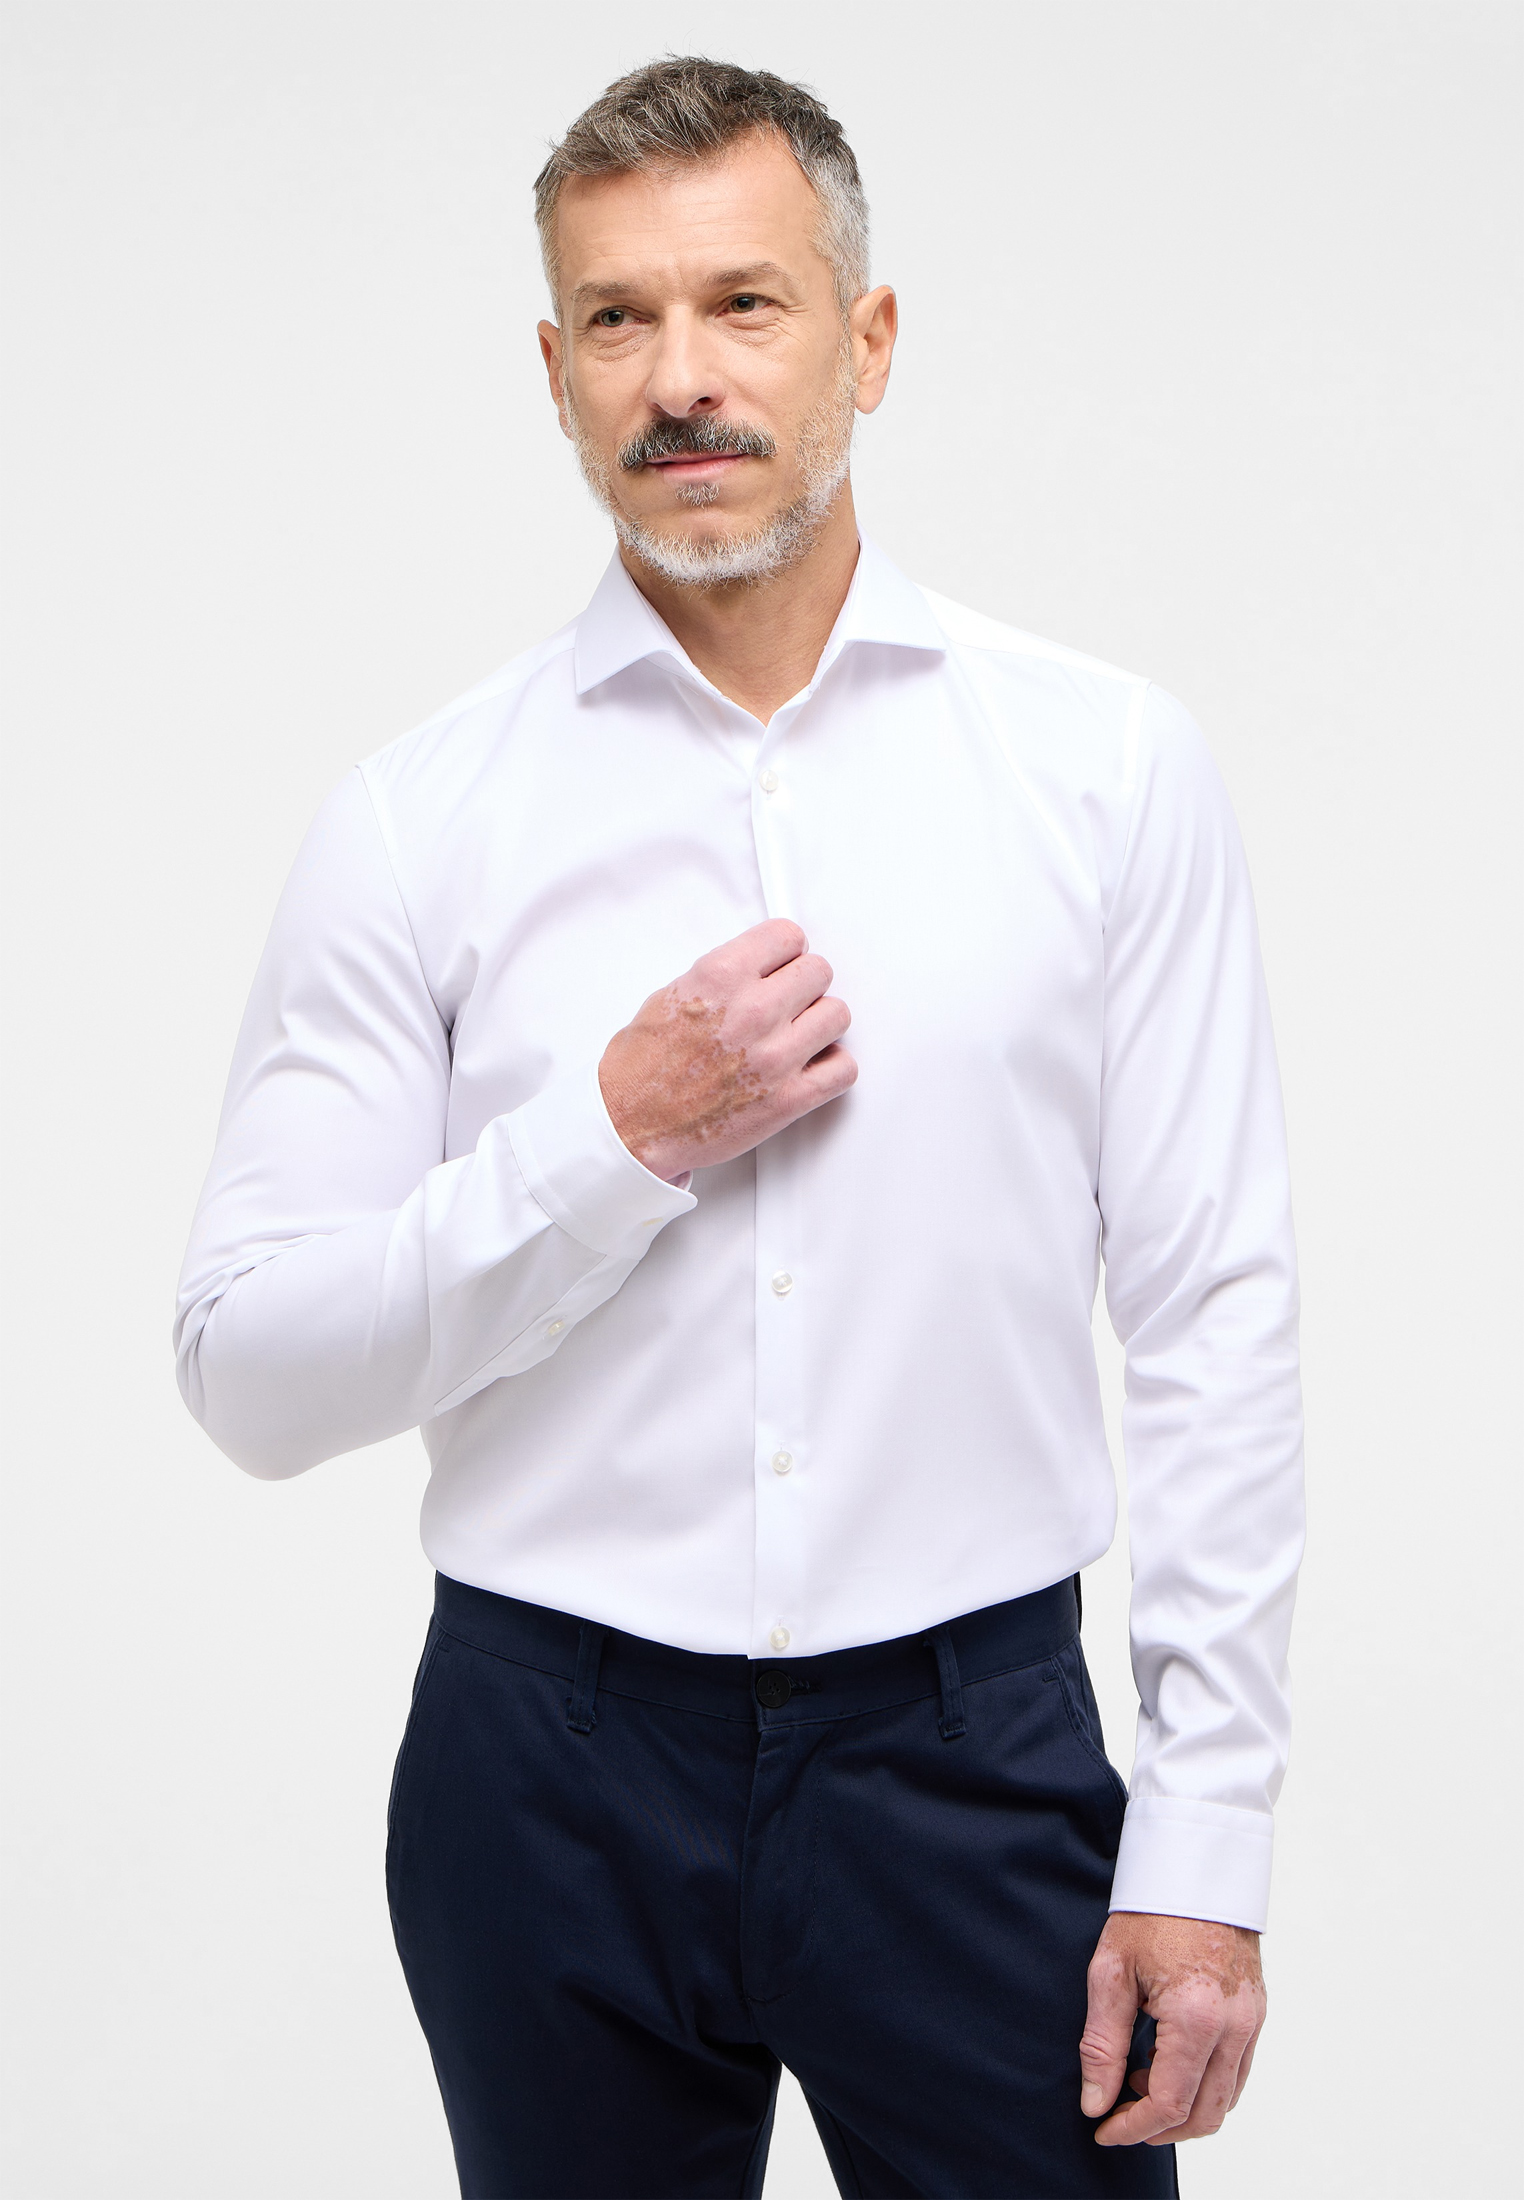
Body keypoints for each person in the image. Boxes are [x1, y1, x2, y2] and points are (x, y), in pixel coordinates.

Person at [174, 55, 1303, 2200]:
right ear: (555, 370)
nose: (680, 376)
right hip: (545, 1766)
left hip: (974, 1755)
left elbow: (1211, 1315)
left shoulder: (1103, 772)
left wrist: (1208, 1831)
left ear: (867, 340)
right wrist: (608, 1143)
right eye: (618, 316)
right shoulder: (418, 823)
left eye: (744, 304)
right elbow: (251, 1371)